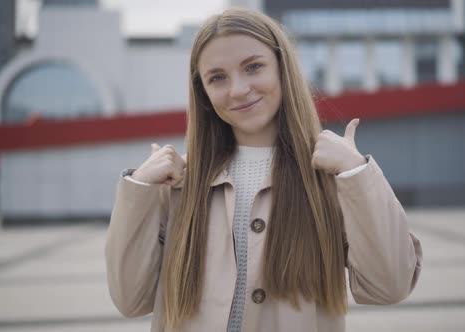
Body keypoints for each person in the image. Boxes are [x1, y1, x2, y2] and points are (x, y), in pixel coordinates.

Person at [105, 7, 422, 332]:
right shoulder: (177, 185)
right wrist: (138, 187)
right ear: (203, 91)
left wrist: (357, 174)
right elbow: (130, 300)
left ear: (282, 68)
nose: (238, 89)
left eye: (253, 67)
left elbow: (389, 285)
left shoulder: (331, 179)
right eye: (217, 77)